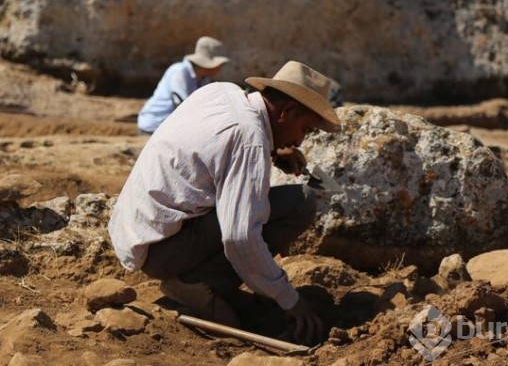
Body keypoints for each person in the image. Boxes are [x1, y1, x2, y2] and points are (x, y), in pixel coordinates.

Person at [108, 60, 342, 345]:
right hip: (163, 251)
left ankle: (199, 280)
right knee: (301, 203)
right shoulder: (249, 138)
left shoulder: (221, 93)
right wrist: (290, 300)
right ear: (287, 112)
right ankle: (198, 283)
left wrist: (271, 150)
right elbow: (240, 237)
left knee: (264, 205)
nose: (300, 141)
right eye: (304, 129)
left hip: (139, 232)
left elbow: (216, 151)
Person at [136, 36, 230, 134]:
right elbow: (183, 107)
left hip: (169, 127)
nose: (220, 68)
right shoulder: (179, 71)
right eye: (220, 65)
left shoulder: (204, 79)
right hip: (154, 124)